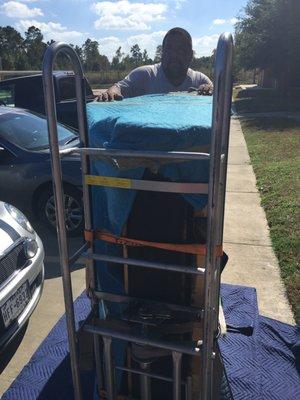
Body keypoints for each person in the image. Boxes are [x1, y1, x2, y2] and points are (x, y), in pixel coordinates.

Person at [97, 27, 213, 101]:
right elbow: (118, 88)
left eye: (181, 50)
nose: (174, 55)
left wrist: (210, 90)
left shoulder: (199, 81)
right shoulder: (145, 75)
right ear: (162, 53)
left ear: (190, 56)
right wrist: (111, 93)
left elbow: (216, 96)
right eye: (169, 49)